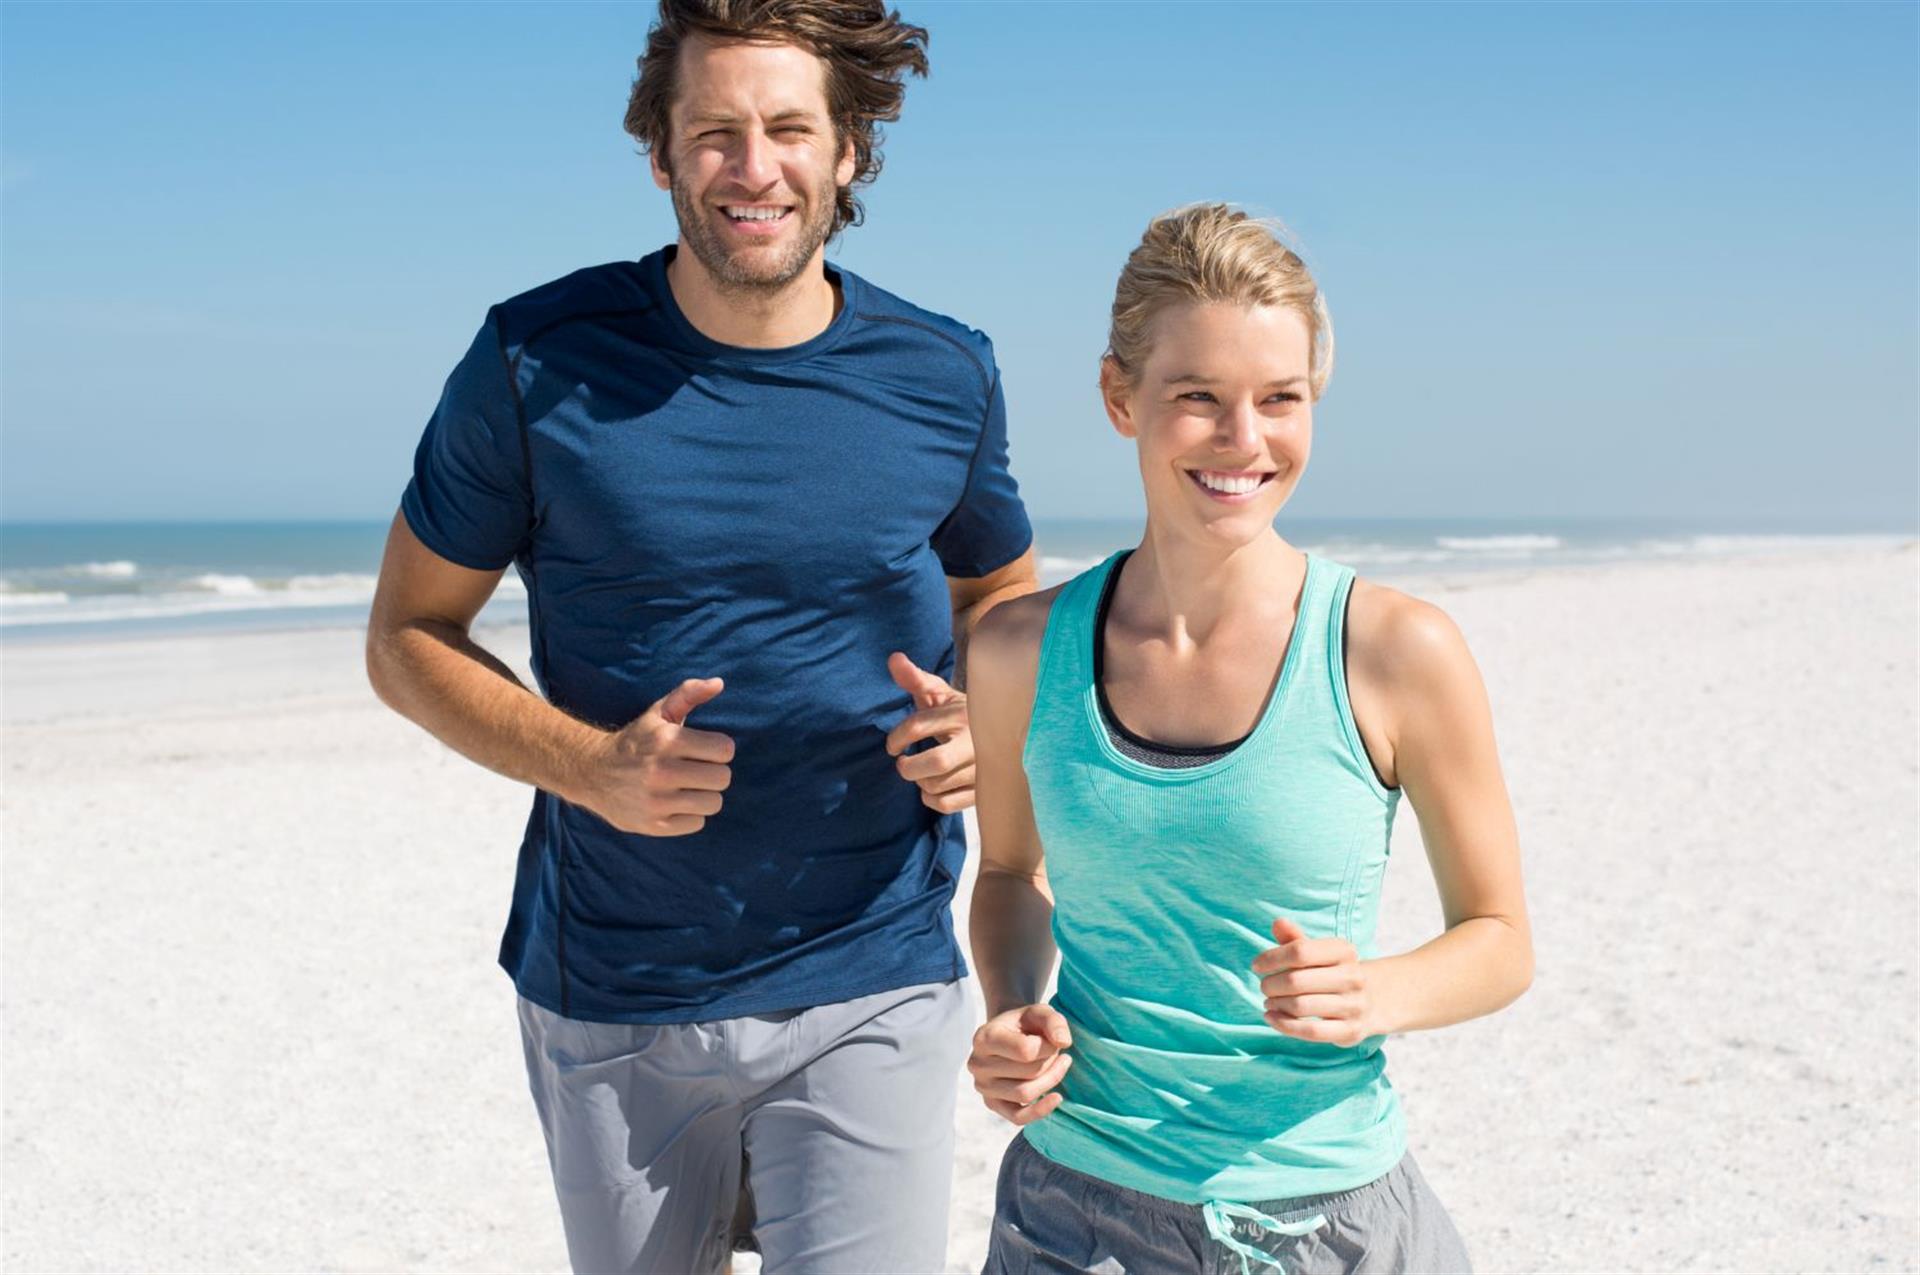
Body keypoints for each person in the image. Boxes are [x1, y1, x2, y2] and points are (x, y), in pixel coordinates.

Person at [364, 2, 1037, 1271]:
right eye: (713, 132)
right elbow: (407, 634)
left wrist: (979, 728)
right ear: (661, 155)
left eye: (790, 128)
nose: (753, 165)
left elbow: (1001, 605)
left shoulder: (945, 373)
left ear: (848, 152)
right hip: (614, 987)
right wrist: (584, 764)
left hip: (873, 967)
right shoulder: (536, 360)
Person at [964, 203, 1532, 1274]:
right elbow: (1007, 871)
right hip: (1070, 1215)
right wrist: (1010, 1015)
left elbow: (1501, 937)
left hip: (1322, 1215)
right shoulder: (1016, 651)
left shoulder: (1398, 649)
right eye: (1199, 399)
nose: (1243, 440)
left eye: (1280, 399)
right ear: (1118, 397)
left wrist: (1378, 991)